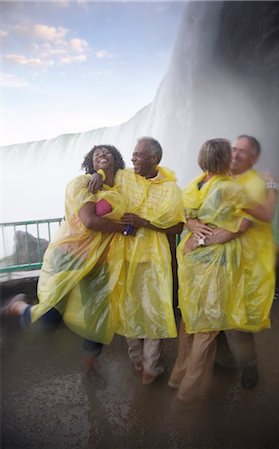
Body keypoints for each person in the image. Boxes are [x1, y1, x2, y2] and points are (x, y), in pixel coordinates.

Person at [3, 144, 132, 371]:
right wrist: (123, 227)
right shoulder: (81, 184)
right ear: (90, 163)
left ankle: (89, 364)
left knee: (98, 319)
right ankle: (18, 306)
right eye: (96, 154)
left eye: (106, 152)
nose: (101, 154)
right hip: (69, 256)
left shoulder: (124, 187)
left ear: (116, 159)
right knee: (49, 319)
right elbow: (89, 221)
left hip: (100, 263)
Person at [184, 135, 277, 390]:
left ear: (254, 158)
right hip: (212, 264)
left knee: (237, 322)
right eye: (233, 149)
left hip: (241, 263)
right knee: (214, 315)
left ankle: (249, 366)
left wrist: (198, 242)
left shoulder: (253, 185)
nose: (235, 155)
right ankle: (221, 362)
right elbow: (188, 207)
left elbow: (236, 230)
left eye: (243, 152)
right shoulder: (213, 177)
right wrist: (190, 223)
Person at [91, 137, 185, 384]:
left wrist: (145, 223)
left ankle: (151, 366)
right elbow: (107, 176)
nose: (132, 159)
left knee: (155, 309)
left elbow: (177, 227)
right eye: (132, 155)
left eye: (138, 155)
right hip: (123, 254)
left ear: (153, 159)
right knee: (127, 307)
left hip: (154, 258)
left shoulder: (171, 189)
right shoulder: (125, 177)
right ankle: (137, 359)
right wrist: (100, 174)